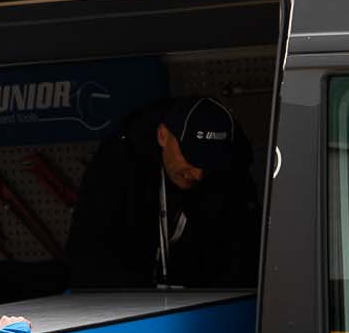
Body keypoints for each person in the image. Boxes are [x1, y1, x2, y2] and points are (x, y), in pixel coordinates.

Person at [63, 95, 260, 289]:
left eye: (209, 162)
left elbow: (243, 257)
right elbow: (87, 254)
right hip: (128, 300)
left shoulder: (230, 173)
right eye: (192, 157)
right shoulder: (118, 164)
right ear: (163, 135)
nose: (199, 174)